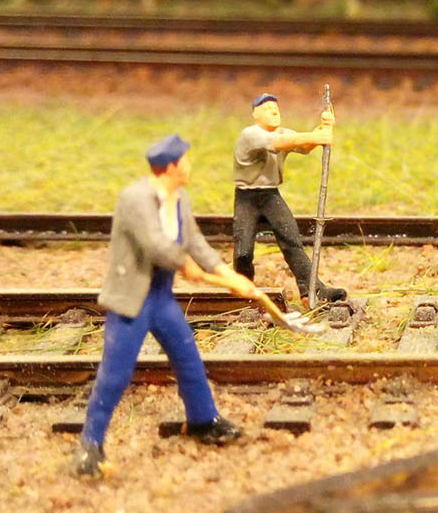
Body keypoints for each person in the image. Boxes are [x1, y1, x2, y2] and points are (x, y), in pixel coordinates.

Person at [76, 134, 259, 478]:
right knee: (115, 375)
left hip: (161, 297)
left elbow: (195, 241)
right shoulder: (135, 199)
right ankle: (90, 444)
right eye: (186, 161)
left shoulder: (180, 199)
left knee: (187, 356)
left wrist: (226, 273)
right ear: (172, 166)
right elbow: (155, 244)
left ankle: (204, 420)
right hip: (133, 299)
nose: (190, 167)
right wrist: (185, 264)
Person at [232, 93, 345, 303]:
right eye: (267, 109)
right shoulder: (251, 134)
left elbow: (304, 145)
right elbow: (280, 143)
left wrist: (324, 127)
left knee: (292, 241)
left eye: (276, 107)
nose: (275, 111)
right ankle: (242, 292)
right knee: (243, 251)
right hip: (246, 197)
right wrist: (315, 137)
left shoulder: (283, 132)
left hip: (269, 195)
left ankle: (311, 290)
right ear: (255, 114)